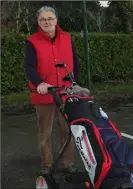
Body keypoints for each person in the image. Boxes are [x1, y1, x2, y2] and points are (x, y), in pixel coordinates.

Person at [24, 6, 80, 175]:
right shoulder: (32, 41)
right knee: (45, 132)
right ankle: (47, 164)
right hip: (44, 94)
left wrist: (75, 83)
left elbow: (75, 63)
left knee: (67, 130)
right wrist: (40, 82)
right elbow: (29, 67)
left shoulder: (68, 39)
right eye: (43, 19)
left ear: (56, 20)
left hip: (65, 93)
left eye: (49, 18)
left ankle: (67, 162)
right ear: (38, 22)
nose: (46, 21)